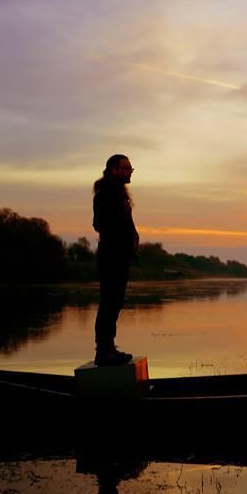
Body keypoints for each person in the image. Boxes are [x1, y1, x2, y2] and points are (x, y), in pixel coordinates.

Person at [92, 154, 140, 366]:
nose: (130, 171)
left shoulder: (118, 194)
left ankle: (108, 349)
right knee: (109, 303)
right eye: (126, 168)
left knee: (115, 303)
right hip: (112, 256)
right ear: (114, 169)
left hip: (120, 256)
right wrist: (121, 239)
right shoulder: (105, 194)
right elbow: (99, 224)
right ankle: (104, 352)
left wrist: (132, 240)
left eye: (130, 168)